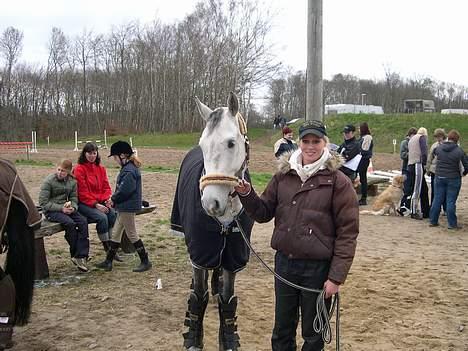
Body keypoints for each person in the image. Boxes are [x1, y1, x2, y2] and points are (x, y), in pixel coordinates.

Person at [234, 120, 359, 351]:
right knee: (282, 330)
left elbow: (347, 234)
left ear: (325, 143)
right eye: (306, 141)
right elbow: (263, 213)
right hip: (285, 265)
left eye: (316, 141)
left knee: (313, 334)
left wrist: (336, 278)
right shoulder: (283, 176)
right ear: (299, 143)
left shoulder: (339, 183)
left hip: (318, 270)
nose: (311, 146)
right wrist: (247, 193)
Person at [95, 141, 152, 272]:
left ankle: (145, 261)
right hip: (124, 206)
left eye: (115, 157)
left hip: (127, 207)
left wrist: (113, 199)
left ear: (122, 156)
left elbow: (125, 190)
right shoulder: (128, 168)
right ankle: (108, 261)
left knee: (131, 234)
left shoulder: (129, 171)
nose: (115, 160)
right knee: (115, 233)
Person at [38, 159, 89, 272]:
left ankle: (82, 256)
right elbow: (43, 203)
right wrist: (61, 208)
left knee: (83, 221)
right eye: (59, 170)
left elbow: (74, 198)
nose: (60, 173)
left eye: (63, 171)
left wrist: (73, 207)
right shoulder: (49, 181)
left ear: (69, 172)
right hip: (51, 211)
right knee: (70, 223)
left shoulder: (72, 181)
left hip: (66, 208)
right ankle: (76, 254)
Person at [74, 142, 120, 260]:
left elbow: (106, 187)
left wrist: (106, 200)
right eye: (89, 153)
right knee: (102, 218)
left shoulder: (101, 169)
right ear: (84, 154)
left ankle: (112, 247)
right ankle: (107, 248)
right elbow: (82, 193)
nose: (92, 155)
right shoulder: (79, 169)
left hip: (100, 201)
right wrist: (96, 205)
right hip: (84, 203)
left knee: (112, 214)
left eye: (94, 153)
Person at [429, 130, 468, 229]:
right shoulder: (459, 151)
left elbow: (433, 154)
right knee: (450, 201)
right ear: (457, 139)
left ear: (448, 138)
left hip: (439, 176)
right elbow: (466, 164)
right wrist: (464, 173)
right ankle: (452, 224)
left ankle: (433, 221)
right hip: (453, 178)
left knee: (437, 199)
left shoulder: (439, 148)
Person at [407, 127, 430, 220]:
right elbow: (424, 152)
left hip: (411, 164)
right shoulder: (422, 138)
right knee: (417, 189)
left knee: (424, 188)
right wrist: (425, 163)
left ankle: (426, 211)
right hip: (418, 164)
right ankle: (413, 211)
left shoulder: (412, 139)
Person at [399, 127, 417, 216]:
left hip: (413, 169)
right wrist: (411, 153)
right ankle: (402, 207)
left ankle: (409, 207)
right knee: (406, 189)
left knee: (412, 189)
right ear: (409, 135)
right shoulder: (404, 143)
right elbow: (402, 155)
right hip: (406, 168)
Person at [426, 128, 447, 206]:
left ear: (443, 136)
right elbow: (430, 158)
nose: (438, 138)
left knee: (444, 191)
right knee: (434, 190)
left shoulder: (447, 144)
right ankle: (433, 206)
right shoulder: (434, 146)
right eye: (436, 137)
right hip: (434, 170)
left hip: (444, 170)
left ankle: (445, 208)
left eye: (439, 136)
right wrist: (428, 169)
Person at [357, 122, 373, 205]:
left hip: (363, 159)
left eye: (360, 128)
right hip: (361, 159)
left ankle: (364, 198)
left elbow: (364, 149)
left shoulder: (367, 137)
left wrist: (356, 150)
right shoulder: (363, 137)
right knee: (362, 178)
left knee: (363, 179)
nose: (359, 130)